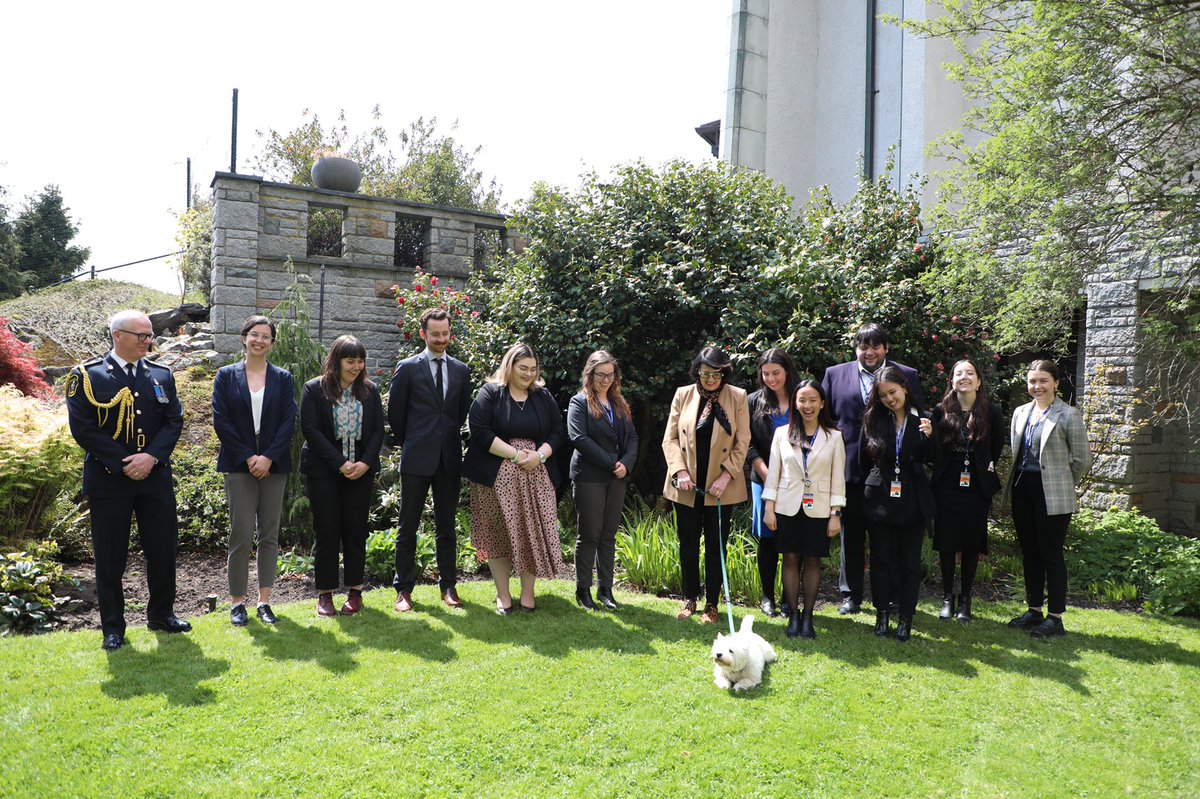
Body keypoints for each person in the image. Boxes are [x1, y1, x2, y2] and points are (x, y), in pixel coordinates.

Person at [66, 310, 189, 651]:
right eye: (141, 336)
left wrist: (151, 457)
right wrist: (125, 464)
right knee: (110, 557)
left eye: (150, 335)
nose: (148, 341)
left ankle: (162, 614)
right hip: (109, 480)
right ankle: (113, 628)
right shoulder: (88, 376)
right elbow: (84, 428)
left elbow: (173, 420)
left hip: (155, 477)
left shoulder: (161, 374)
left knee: (163, 550)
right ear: (118, 335)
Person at [822, 322, 924, 616]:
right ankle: (850, 595)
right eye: (863, 346)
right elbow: (826, 418)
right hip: (849, 469)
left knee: (888, 538)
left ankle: (890, 596)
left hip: (890, 473)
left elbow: (917, 414)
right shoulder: (834, 374)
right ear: (856, 348)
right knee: (851, 536)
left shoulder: (907, 376)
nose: (869, 352)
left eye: (875, 346)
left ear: (886, 348)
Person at [463, 343, 565, 614]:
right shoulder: (491, 393)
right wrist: (517, 455)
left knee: (531, 534)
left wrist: (539, 456)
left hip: (536, 477)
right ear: (509, 366)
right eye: (523, 368)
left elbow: (557, 431)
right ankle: (503, 595)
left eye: (533, 369)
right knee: (499, 535)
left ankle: (528, 594)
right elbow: (480, 431)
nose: (528, 374)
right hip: (495, 478)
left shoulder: (542, 397)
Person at [212, 315, 297, 626]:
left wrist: (268, 458)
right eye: (254, 335)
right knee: (241, 533)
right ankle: (237, 603)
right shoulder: (225, 375)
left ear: (272, 343)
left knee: (269, 535)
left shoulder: (284, 379)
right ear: (244, 338)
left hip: (274, 466)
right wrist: (249, 456)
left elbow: (289, 421)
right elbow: (221, 420)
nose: (260, 340)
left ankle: (264, 601)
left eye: (266, 336)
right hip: (238, 464)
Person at [388, 308, 472, 613]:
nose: (440, 339)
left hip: (449, 459)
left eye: (445, 334)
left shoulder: (462, 371)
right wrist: (413, 441)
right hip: (416, 458)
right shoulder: (408, 367)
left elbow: (460, 413)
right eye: (434, 334)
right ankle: (403, 591)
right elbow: (395, 415)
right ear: (423, 334)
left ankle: (448, 587)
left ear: (450, 333)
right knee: (407, 526)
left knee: (447, 527)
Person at [662, 346, 751, 625]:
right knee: (687, 543)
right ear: (696, 372)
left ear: (725, 373)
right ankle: (689, 599)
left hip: (720, 487)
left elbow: (742, 441)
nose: (710, 380)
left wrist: (726, 476)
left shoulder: (737, 397)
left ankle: (711, 605)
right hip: (687, 486)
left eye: (716, 374)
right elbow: (670, 439)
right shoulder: (682, 394)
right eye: (705, 374)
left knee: (716, 546)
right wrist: (679, 471)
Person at [1005, 359, 1092, 639]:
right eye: (1032, 381)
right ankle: (1034, 610)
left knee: (1051, 554)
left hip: (1052, 495)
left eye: (1043, 381)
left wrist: (1062, 482)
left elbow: (1082, 460)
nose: (1037, 386)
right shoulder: (1020, 412)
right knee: (1029, 552)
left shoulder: (1068, 415)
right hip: (1022, 491)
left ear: (1055, 383)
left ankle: (1055, 618)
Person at [300, 335, 384, 618]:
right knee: (326, 531)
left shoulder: (369, 391)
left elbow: (377, 432)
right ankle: (325, 595)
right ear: (336, 361)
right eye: (350, 361)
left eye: (360, 361)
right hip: (324, 471)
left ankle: (355, 592)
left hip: (361, 472)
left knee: (355, 531)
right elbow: (311, 431)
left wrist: (364, 463)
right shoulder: (314, 390)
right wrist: (340, 463)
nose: (356, 366)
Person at [859, 365, 939, 642]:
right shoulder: (873, 419)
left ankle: (906, 618)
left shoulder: (924, 419)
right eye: (883, 396)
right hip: (879, 497)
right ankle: (882, 614)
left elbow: (935, 459)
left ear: (904, 388)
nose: (889, 399)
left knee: (909, 563)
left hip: (912, 499)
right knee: (880, 560)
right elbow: (862, 459)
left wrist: (930, 437)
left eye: (893, 392)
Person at [762, 380, 845, 639]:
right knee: (789, 559)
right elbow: (773, 473)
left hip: (819, 509)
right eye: (802, 400)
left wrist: (835, 513)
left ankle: (808, 617)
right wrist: (769, 508)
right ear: (795, 404)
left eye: (812, 400)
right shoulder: (781, 434)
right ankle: (793, 616)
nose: (807, 406)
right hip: (787, 507)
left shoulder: (834, 437)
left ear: (822, 404)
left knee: (812, 560)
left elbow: (837, 478)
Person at [929, 359, 1004, 622]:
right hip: (947, 485)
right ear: (951, 380)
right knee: (947, 544)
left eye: (970, 373)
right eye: (958, 373)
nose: (964, 377)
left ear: (979, 381)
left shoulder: (991, 412)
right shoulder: (940, 411)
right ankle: (948, 597)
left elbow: (996, 448)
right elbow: (934, 449)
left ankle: (966, 600)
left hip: (976, 487)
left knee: (972, 544)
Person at [567, 350, 638, 611]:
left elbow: (632, 438)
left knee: (608, 535)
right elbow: (579, 439)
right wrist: (612, 463)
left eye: (611, 374)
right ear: (590, 374)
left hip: (617, 477)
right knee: (589, 535)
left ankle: (605, 591)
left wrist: (626, 465)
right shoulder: (579, 403)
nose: (607, 380)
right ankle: (582, 591)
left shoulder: (619, 403)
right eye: (601, 375)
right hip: (590, 477)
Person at [747, 348, 801, 617]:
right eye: (765, 374)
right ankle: (767, 596)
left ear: (787, 371)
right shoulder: (753, 402)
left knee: (792, 538)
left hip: (798, 481)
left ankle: (788, 598)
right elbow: (747, 443)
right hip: (764, 479)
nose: (770, 379)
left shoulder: (802, 398)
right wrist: (767, 473)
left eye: (776, 373)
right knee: (767, 538)